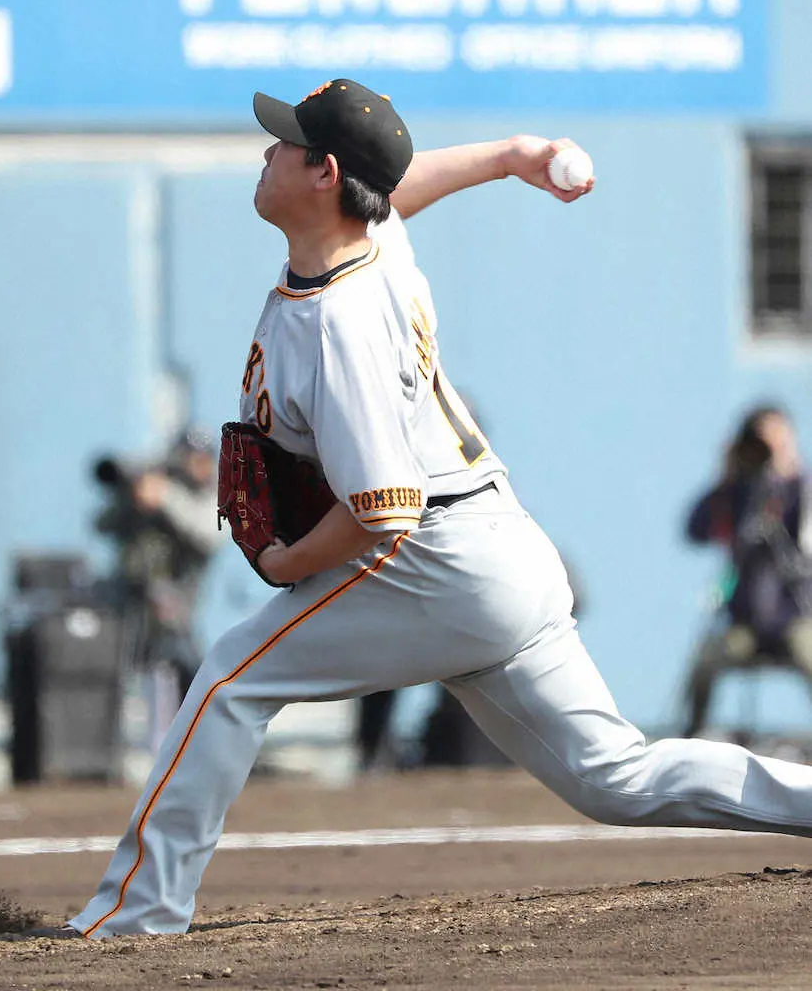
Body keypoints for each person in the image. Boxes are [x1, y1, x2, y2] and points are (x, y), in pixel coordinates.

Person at [68, 78, 812, 940]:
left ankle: (138, 913)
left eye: (284, 143)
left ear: (324, 174)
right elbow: (400, 189)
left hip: (438, 558)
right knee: (616, 777)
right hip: (507, 550)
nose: (266, 151)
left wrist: (285, 564)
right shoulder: (372, 241)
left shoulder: (340, 321)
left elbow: (387, 508)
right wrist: (510, 155)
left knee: (231, 679)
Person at [682, 405, 812, 738]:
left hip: (796, 619)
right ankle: (690, 740)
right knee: (706, 661)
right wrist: (725, 479)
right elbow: (696, 530)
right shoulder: (738, 494)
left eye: (778, 438)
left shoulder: (803, 490)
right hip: (746, 626)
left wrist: (789, 479)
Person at [95, 426, 228, 705]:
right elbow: (102, 525)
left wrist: (165, 496)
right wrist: (131, 498)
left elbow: (209, 532)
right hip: (133, 596)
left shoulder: (212, 490)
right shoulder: (164, 479)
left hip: (178, 600)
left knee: (186, 667)